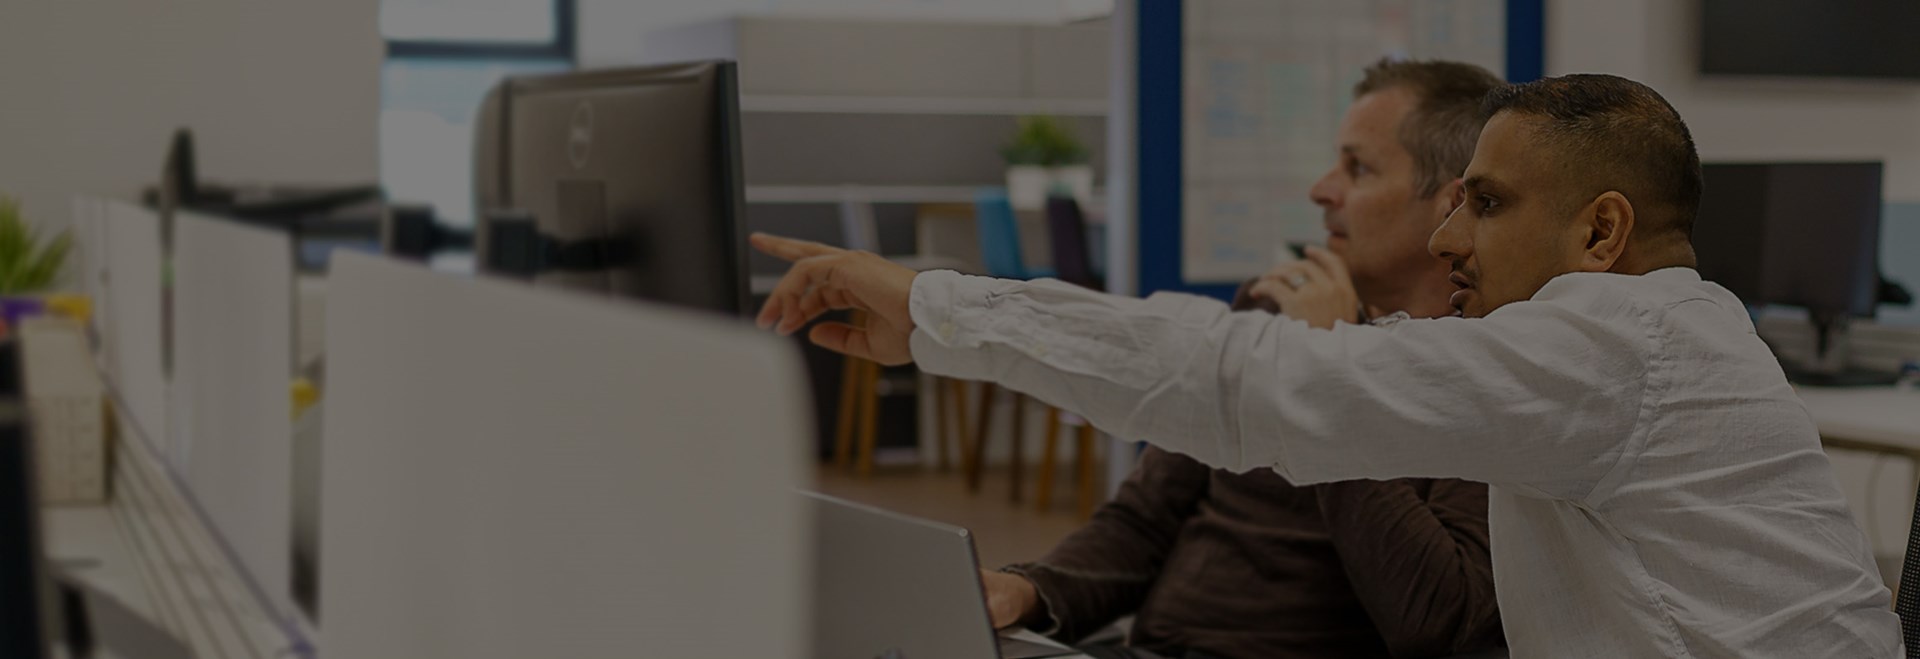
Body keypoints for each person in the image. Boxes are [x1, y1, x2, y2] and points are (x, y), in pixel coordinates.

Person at [751, 73, 1904, 656]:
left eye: (1487, 206)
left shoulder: (1620, 344)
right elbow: (1263, 385)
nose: (1453, 237)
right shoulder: (1625, 347)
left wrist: (938, 308)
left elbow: (1266, 386)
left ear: (1601, 233)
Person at [975, 59, 1506, 659]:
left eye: (1357, 168)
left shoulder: (1481, 374)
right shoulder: (1270, 314)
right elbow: (1144, 522)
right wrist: (1027, 589)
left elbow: (1437, 621)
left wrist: (1329, 365)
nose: (1321, 189)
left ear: (1449, 205)